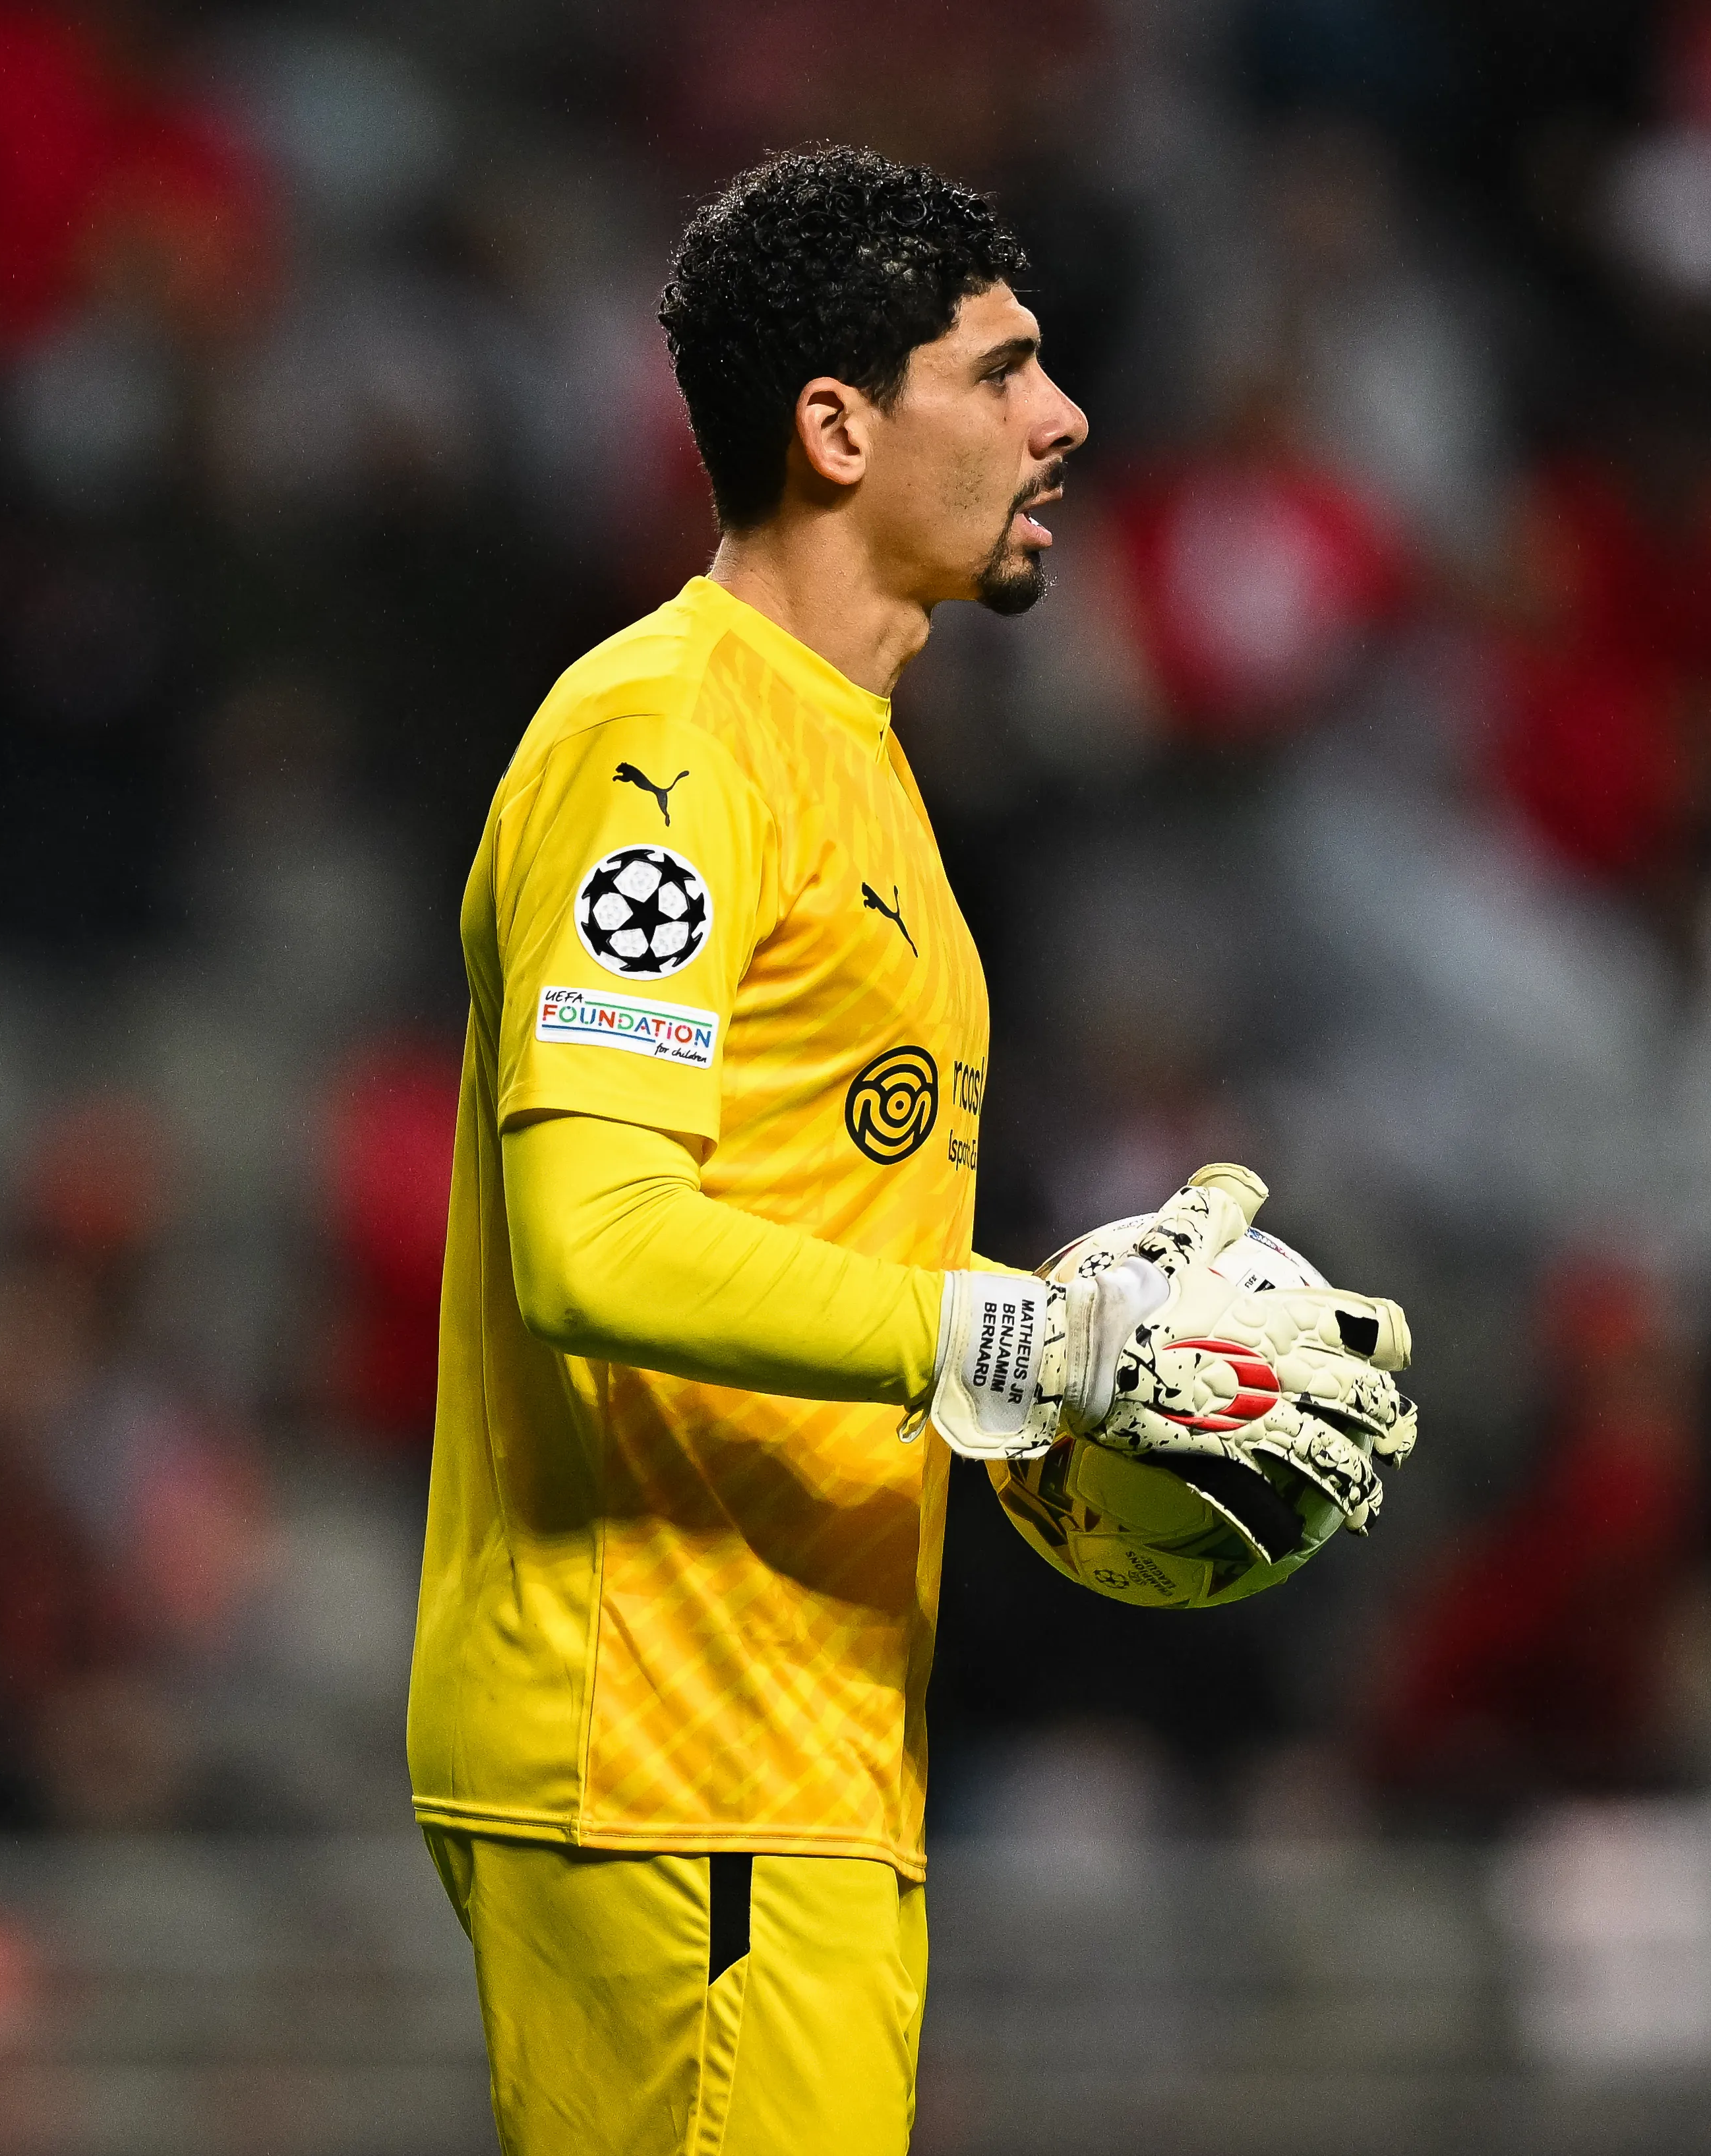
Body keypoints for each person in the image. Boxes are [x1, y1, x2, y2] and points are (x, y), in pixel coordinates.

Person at [405, 148, 1420, 2155]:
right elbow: (593, 1241)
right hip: (672, 1744)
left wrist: (1071, 1409)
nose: (1068, 420)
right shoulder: (667, 743)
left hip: (792, 1746)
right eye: (1004, 373)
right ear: (839, 427)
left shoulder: (857, 771)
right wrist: (1028, 1342)